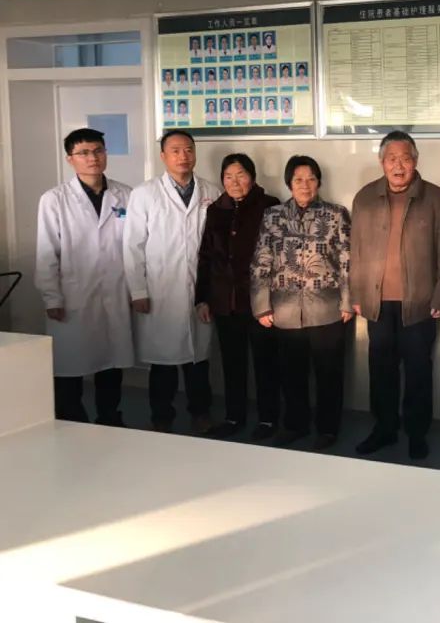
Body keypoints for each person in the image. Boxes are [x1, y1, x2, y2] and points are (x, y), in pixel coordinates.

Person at [351, 131, 440, 460]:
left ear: (415, 161)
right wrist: (357, 293)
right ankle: (384, 428)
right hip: (377, 303)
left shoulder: (436, 198)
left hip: (420, 303)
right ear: (382, 162)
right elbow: (356, 251)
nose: (399, 166)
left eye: (405, 158)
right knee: (381, 370)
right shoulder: (365, 198)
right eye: (392, 159)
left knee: (418, 371)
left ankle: (416, 433)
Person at [123, 130, 223, 433]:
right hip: (160, 290)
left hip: (200, 290)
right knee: (163, 362)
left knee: (198, 360)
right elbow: (132, 246)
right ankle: (161, 417)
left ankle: (200, 413)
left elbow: (217, 246)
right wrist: (138, 290)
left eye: (188, 149)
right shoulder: (145, 193)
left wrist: (212, 293)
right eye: (176, 150)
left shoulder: (212, 191)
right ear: (163, 156)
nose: (183, 156)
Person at [252, 156, 353, 451]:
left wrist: (348, 302)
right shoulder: (273, 215)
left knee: (329, 374)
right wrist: (261, 305)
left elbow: (348, 261)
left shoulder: (336, 214)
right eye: (298, 179)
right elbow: (261, 261)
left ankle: (328, 428)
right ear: (289, 183)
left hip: (327, 309)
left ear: (319, 182)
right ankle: (295, 425)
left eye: (311, 179)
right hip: (284, 311)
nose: (305, 185)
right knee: (291, 374)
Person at [35, 128, 135, 426]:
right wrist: (52, 297)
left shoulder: (126, 195)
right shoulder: (54, 199)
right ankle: (70, 422)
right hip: (72, 294)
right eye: (84, 153)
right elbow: (46, 253)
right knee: (70, 365)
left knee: (112, 363)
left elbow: (135, 245)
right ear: (70, 159)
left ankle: (110, 419)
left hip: (115, 292)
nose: (93, 158)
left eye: (98, 151)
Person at [195, 154, 281, 441]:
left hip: (260, 302)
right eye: (228, 176)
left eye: (241, 174)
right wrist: (202, 298)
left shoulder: (269, 206)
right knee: (232, 363)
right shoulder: (215, 210)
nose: (234, 181)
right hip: (224, 302)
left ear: (252, 177)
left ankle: (268, 419)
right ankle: (234, 416)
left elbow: (279, 256)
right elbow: (205, 256)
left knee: (266, 363)